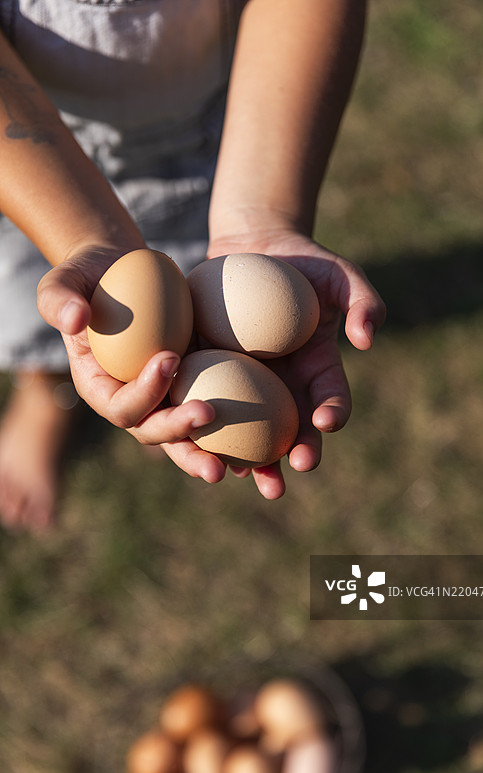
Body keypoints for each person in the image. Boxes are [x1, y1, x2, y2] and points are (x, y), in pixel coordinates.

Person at [0, 0, 385, 534]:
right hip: (30, 162)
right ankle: (47, 394)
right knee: (56, 299)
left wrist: (262, 211)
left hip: (225, 134)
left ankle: (173, 380)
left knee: (173, 293)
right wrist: (84, 236)